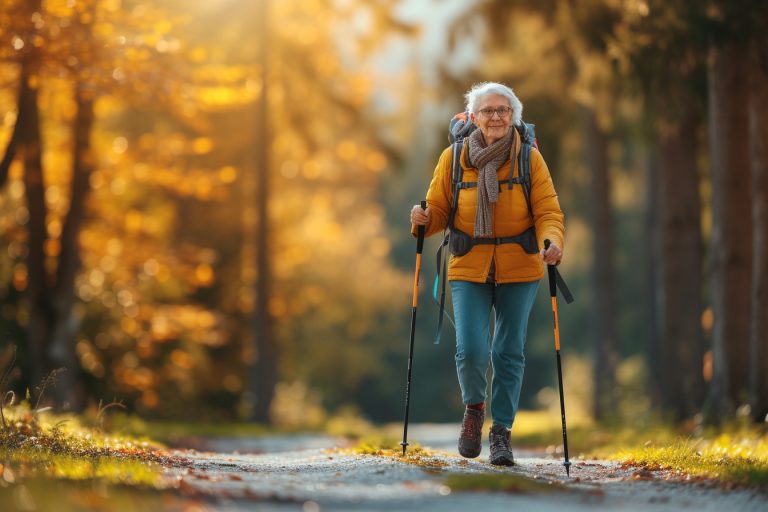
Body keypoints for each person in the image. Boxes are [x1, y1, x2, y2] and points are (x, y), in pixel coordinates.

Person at [410, 82, 564, 466]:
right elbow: (438, 211)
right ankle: (474, 409)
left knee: (508, 351)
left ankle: (501, 432)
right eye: (487, 111)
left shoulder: (529, 159)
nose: (495, 117)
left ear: (514, 116)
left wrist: (551, 241)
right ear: (473, 117)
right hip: (469, 264)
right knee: (472, 350)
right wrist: (423, 219)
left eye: (503, 110)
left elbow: (548, 211)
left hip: (520, 265)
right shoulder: (453, 158)